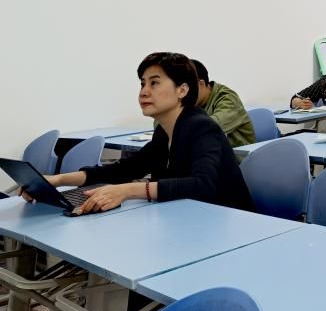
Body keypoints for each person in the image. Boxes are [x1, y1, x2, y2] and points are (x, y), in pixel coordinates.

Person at [23, 52, 254, 214]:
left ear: (182, 90)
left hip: (226, 225)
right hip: (187, 220)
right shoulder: (164, 131)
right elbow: (125, 169)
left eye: (154, 83)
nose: (144, 92)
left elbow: (203, 185)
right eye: (142, 84)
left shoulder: (202, 127)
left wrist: (128, 190)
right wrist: (59, 180)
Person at [190, 60, 256, 148]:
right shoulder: (195, 102)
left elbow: (209, 126)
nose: (182, 94)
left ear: (201, 84)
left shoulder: (228, 99)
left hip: (240, 153)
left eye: (186, 88)